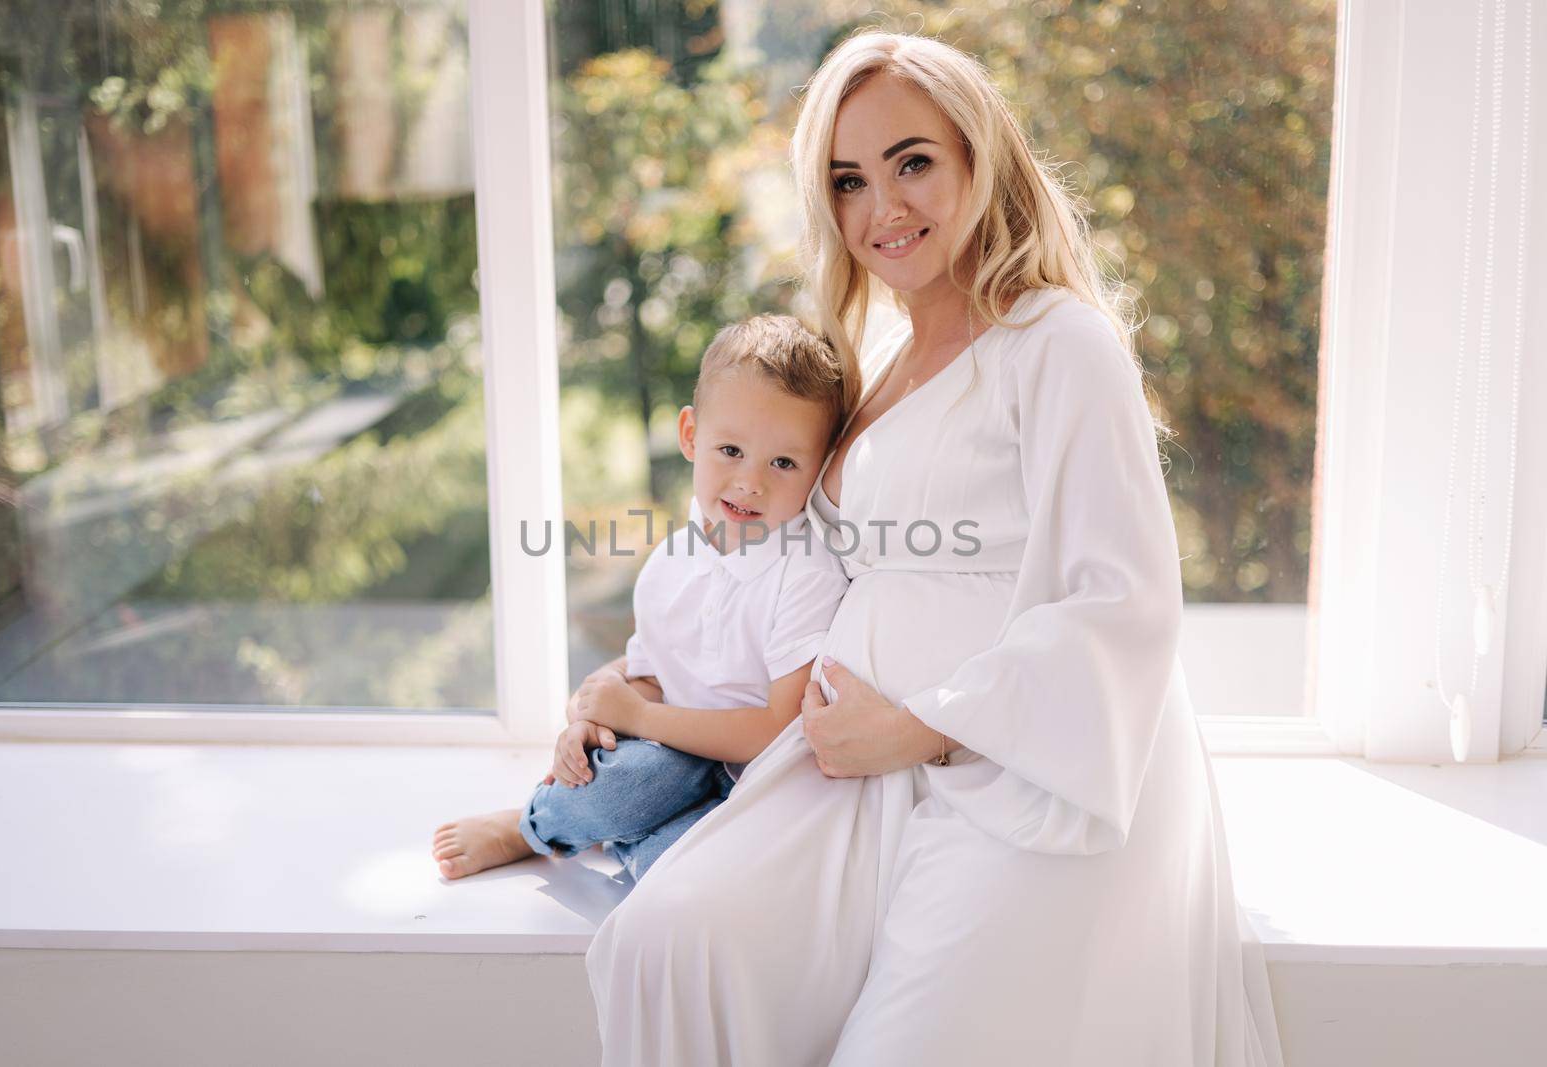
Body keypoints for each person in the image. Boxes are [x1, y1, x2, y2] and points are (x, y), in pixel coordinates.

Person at [583, 31, 1287, 1066]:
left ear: (978, 158)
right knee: (665, 941)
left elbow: (1122, 599)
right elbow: (773, 567)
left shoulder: (1057, 342)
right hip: (848, 764)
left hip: (1023, 766)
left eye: (912, 161)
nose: (885, 208)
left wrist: (920, 727)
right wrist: (625, 680)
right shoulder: (877, 362)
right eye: (849, 180)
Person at [431, 314, 851, 882]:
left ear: (820, 467)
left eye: (783, 462)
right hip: (667, 758)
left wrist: (641, 716)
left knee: (682, 870)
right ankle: (532, 827)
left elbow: (776, 727)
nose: (750, 483)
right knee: (637, 780)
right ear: (689, 436)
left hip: (753, 778)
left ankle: (614, 837)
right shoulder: (669, 565)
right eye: (730, 450)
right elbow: (650, 674)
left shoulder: (805, 572)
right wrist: (597, 718)